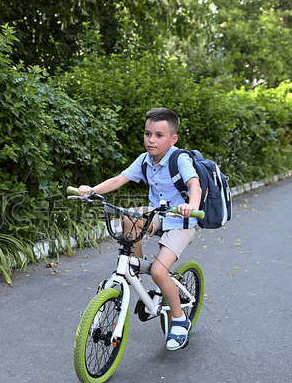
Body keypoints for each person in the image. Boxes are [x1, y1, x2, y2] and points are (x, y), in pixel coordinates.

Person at [77, 107, 202, 351]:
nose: (151, 140)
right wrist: (92, 190)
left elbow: (193, 184)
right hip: (158, 214)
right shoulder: (145, 160)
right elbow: (117, 180)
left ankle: (179, 319)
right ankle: (135, 267)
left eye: (158, 135)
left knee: (158, 271)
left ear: (172, 139)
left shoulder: (180, 159)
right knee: (129, 217)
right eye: (147, 134)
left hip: (181, 220)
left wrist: (191, 206)